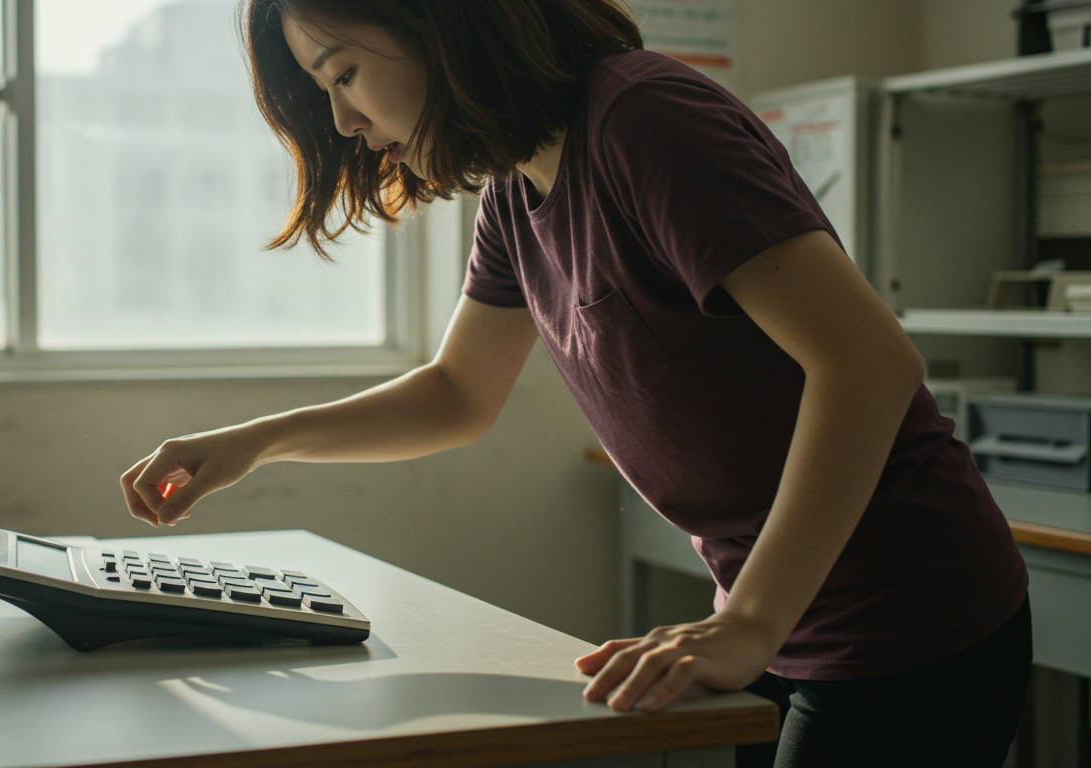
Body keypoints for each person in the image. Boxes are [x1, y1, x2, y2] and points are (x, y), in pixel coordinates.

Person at [120, 2, 1032, 765]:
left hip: (905, 611)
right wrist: (253, 442)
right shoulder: (514, 194)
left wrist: (751, 621)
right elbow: (457, 392)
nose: (345, 123)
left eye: (344, 74)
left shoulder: (645, 116)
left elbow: (869, 361)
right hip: (777, 614)